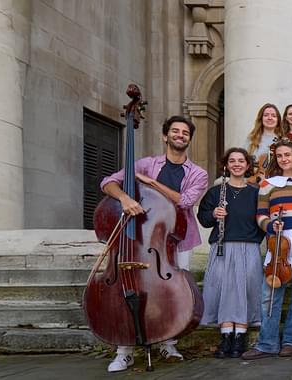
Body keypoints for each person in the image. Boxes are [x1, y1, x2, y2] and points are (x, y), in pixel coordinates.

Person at [100, 116, 208, 373]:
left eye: (185, 133)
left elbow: (185, 201)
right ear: (165, 136)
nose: (180, 135)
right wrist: (124, 198)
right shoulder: (146, 164)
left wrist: (150, 182)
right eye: (175, 131)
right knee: (129, 286)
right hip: (140, 237)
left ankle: (168, 343)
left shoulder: (198, 173)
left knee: (174, 292)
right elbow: (107, 182)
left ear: (189, 139)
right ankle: (124, 350)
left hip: (177, 238)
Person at [240, 141, 292, 360]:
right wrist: (270, 225)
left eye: (288, 155)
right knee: (270, 294)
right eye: (280, 156)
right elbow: (261, 214)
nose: (284, 159)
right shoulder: (267, 184)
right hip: (278, 245)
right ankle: (267, 343)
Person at [197, 148, 265, 359]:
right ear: (226, 165)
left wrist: (252, 238)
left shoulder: (256, 193)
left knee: (246, 289)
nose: (237, 164)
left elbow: (263, 221)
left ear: (247, 165)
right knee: (224, 289)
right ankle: (226, 335)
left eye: (241, 161)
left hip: (248, 247)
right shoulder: (216, 192)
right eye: (232, 161)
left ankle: (240, 336)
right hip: (222, 246)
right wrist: (213, 214)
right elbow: (203, 219)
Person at [247, 103, 281, 181]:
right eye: (266, 115)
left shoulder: (282, 140)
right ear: (261, 118)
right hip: (254, 177)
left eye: (273, 116)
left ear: (278, 120)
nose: (270, 118)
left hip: (276, 179)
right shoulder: (251, 138)